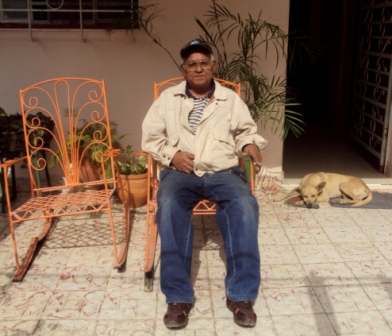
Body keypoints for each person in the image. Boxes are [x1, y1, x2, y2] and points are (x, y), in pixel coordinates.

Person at [142, 39, 268, 329]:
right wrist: (172, 155)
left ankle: (241, 295)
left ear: (213, 66)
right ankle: (178, 297)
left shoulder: (230, 100)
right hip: (180, 174)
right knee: (170, 204)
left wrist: (250, 145)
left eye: (203, 63)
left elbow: (245, 132)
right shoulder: (167, 99)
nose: (198, 68)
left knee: (245, 205)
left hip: (223, 172)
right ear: (183, 69)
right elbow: (150, 137)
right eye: (192, 64)